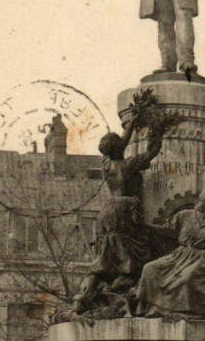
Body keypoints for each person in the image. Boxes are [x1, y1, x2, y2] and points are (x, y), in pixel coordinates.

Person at [73, 94, 175, 313]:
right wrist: (158, 131)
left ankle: (82, 298)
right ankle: (134, 290)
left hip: (108, 210)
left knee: (105, 256)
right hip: (125, 210)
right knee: (137, 249)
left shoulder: (106, 165)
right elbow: (152, 152)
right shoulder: (129, 165)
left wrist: (134, 119)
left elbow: (121, 142)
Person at [135, 191, 205, 321]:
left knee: (187, 278)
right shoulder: (184, 216)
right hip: (179, 256)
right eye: (199, 199)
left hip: (201, 260)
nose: (198, 203)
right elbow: (166, 230)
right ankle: (154, 307)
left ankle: (183, 311)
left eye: (203, 201)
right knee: (150, 268)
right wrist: (145, 225)